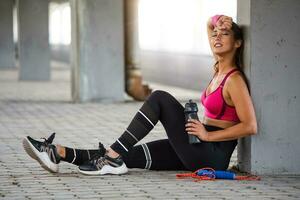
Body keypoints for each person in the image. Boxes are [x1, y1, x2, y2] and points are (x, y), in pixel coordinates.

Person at [22, 15, 257, 175]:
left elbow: (250, 126)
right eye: (215, 33)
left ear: (237, 43)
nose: (216, 36)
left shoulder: (234, 80)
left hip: (211, 154)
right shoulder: (218, 71)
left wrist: (207, 135)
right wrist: (216, 20)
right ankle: (58, 154)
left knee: (160, 98)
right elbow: (209, 24)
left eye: (224, 33)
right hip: (195, 146)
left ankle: (111, 156)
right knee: (129, 155)